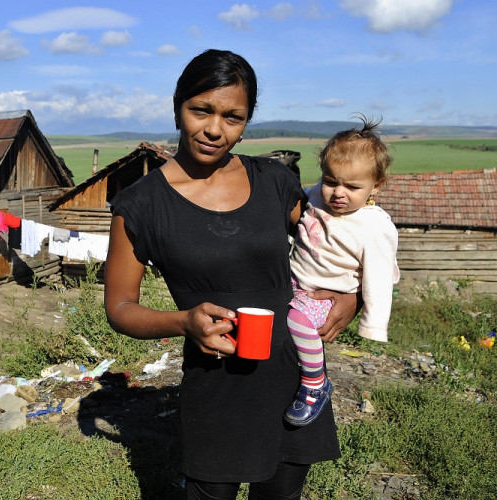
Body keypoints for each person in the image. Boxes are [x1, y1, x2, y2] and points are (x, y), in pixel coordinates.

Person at [104, 49, 359, 500]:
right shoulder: (142, 205)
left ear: (247, 121)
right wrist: (183, 321)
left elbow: (335, 242)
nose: (215, 129)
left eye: (233, 117)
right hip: (216, 387)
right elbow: (120, 308)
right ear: (177, 104)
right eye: (201, 110)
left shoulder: (275, 181)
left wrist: (351, 294)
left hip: (296, 381)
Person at [284, 116, 399, 426]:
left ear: (376, 185)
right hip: (294, 281)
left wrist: (372, 325)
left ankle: (315, 383)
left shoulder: (374, 226)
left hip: (326, 295)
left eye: (352, 186)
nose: (338, 193)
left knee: (297, 322)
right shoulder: (316, 196)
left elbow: (379, 277)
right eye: (331, 180)